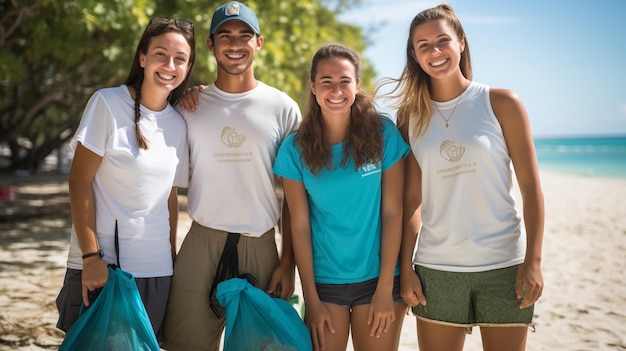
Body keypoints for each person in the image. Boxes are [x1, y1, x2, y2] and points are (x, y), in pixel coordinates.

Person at [381, 4, 545, 351]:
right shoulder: (410, 117)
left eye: (443, 41)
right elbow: (412, 201)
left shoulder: (501, 102)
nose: (434, 51)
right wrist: (406, 268)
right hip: (436, 269)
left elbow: (530, 188)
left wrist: (533, 261)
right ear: (414, 54)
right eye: (423, 45)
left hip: (504, 266)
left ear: (462, 43)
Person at [160, 2, 301, 350]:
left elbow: (297, 198)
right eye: (225, 35)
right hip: (201, 242)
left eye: (244, 35)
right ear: (210, 44)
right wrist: (167, 252)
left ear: (259, 42)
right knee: (185, 344)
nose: (235, 44)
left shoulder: (283, 108)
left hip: (262, 246)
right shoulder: (187, 106)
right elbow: (164, 186)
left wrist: (288, 263)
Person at [55, 16, 196, 340]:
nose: (169, 65)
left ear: (188, 67)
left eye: (180, 59)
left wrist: (170, 261)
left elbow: (169, 198)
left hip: (157, 270)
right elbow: (79, 182)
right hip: (104, 267)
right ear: (143, 57)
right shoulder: (107, 102)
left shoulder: (178, 124)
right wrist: (91, 257)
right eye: (161, 54)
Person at [273, 43, 410, 351]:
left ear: (357, 85)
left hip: (380, 280)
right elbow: (299, 226)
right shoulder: (295, 149)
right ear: (312, 86)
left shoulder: (383, 134)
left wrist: (386, 289)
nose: (336, 90)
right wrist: (311, 299)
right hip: (324, 285)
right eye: (326, 82)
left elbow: (393, 213)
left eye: (344, 81)